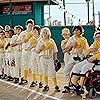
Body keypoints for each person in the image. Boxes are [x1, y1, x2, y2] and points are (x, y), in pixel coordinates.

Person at [62, 26, 89, 92]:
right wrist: (71, 45)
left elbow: (87, 50)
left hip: (80, 57)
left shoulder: (83, 39)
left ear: (81, 31)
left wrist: (82, 51)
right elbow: (64, 50)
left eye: (78, 30)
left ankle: (78, 86)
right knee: (66, 71)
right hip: (72, 56)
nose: (76, 31)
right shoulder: (71, 38)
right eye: (75, 30)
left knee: (77, 73)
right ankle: (69, 85)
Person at [36, 27, 60, 92]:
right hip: (42, 58)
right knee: (44, 72)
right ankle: (46, 85)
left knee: (52, 72)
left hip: (50, 58)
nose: (45, 34)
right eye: (44, 32)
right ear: (41, 33)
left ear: (49, 33)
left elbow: (55, 51)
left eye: (46, 32)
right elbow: (37, 51)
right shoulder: (40, 41)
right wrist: (41, 48)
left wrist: (56, 59)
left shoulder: (51, 41)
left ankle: (56, 85)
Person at [16, 19, 34, 84]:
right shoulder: (23, 33)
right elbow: (17, 42)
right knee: (24, 64)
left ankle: (34, 80)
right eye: (29, 26)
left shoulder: (34, 33)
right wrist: (23, 41)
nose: (30, 27)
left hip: (32, 51)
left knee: (33, 65)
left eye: (32, 26)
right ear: (26, 26)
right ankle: (25, 79)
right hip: (24, 50)